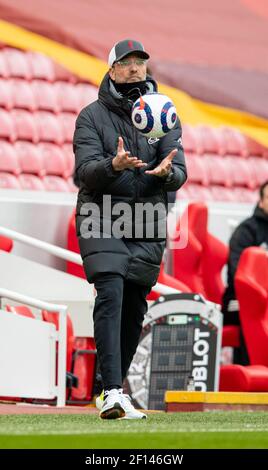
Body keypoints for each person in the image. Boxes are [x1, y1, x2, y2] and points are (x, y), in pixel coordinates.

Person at [73, 39, 187, 419]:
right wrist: (114, 165)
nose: (135, 68)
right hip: (101, 215)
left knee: (135, 306)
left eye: (140, 62)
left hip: (147, 221)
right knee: (111, 290)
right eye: (127, 62)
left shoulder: (163, 113)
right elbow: (84, 172)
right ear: (112, 71)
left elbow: (181, 171)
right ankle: (109, 391)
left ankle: (114, 387)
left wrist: (167, 173)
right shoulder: (91, 116)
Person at [222, 180, 268, 364]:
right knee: (250, 311)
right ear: (261, 201)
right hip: (238, 299)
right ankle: (251, 370)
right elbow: (237, 272)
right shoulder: (246, 230)